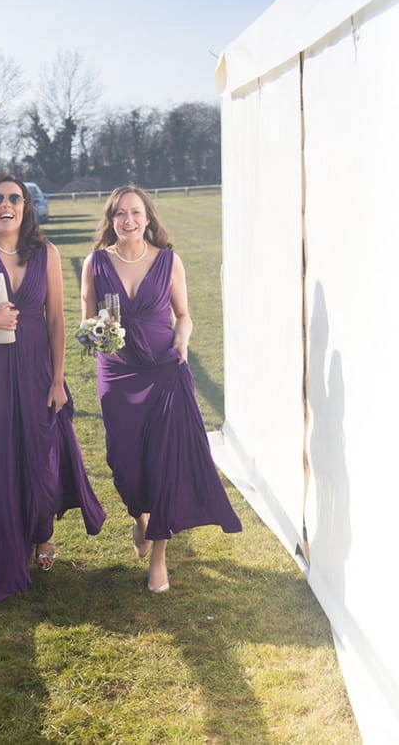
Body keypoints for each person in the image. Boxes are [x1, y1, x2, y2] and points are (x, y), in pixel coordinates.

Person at [0, 174, 105, 602]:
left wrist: (58, 379)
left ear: (26, 206)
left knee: (40, 454)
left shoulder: (47, 253)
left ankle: (42, 531)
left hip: (37, 367)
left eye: (14, 198)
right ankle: (3, 544)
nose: (6, 204)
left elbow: (56, 319)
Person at [81, 185, 242, 594]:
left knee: (165, 463)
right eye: (120, 213)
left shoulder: (169, 261)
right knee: (124, 464)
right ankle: (140, 518)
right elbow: (86, 322)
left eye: (135, 212)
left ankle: (159, 557)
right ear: (111, 220)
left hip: (165, 371)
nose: (128, 220)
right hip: (117, 375)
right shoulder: (95, 263)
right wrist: (96, 335)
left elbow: (184, 315)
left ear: (148, 218)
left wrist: (181, 340)